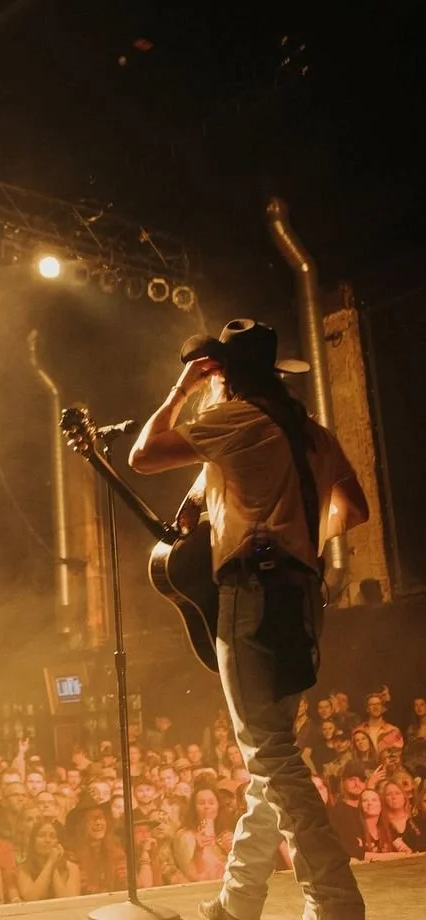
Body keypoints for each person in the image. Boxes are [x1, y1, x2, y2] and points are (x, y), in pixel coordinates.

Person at [128, 318, 369, 920]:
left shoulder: (235, 419)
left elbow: (143, 454)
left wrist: (181, 389)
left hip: (253, 597)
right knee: (273, 757)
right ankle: (239, 903)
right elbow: (354, 508)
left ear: (221, 375)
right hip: (303, 594)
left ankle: (336, 902)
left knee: (269, 757)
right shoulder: (312, 433)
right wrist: (291, 536)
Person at [172, 784, 232, 882]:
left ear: (218, 807)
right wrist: (198, 851)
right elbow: (193, 876)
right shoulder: (185, 836)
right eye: (201, 803)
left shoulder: (224, 834)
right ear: (193, 808)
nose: (207, 807)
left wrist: (233, 850)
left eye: (211, 803)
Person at [16, 819, 80, 900]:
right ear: (33, 840)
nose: (47, 840)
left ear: (58, 842)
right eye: (42, 835)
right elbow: (32, 898)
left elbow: (68, 901)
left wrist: (54, 867)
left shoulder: (72, 868)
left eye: (52, 836)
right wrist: (50, 863)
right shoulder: (24, 869)